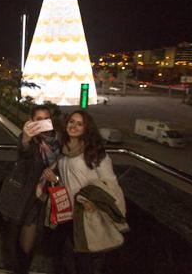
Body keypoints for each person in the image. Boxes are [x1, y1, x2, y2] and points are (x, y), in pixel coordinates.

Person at [43, 110, 126, 274]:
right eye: (71, 122)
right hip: (66, 212)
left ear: (87, 129)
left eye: (79, 124)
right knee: (64, 256)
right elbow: (66, 180)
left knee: (84, 260)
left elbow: (110, 183)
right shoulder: (64, 150)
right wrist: (55, 179)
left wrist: (96, 202)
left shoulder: (96, 153)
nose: (73, 126)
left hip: (87, 214)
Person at [0, 105, 59, 274]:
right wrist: (26, 137)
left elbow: (61, 169)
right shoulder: (28, 139)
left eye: (45, 119)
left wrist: (54, 179)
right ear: (31, 121)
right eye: (38, 119)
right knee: (11, 242)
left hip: (37, 200)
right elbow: (23, 151)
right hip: (18, 197)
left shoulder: (57, 143)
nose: (42, 123)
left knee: (27, 246)